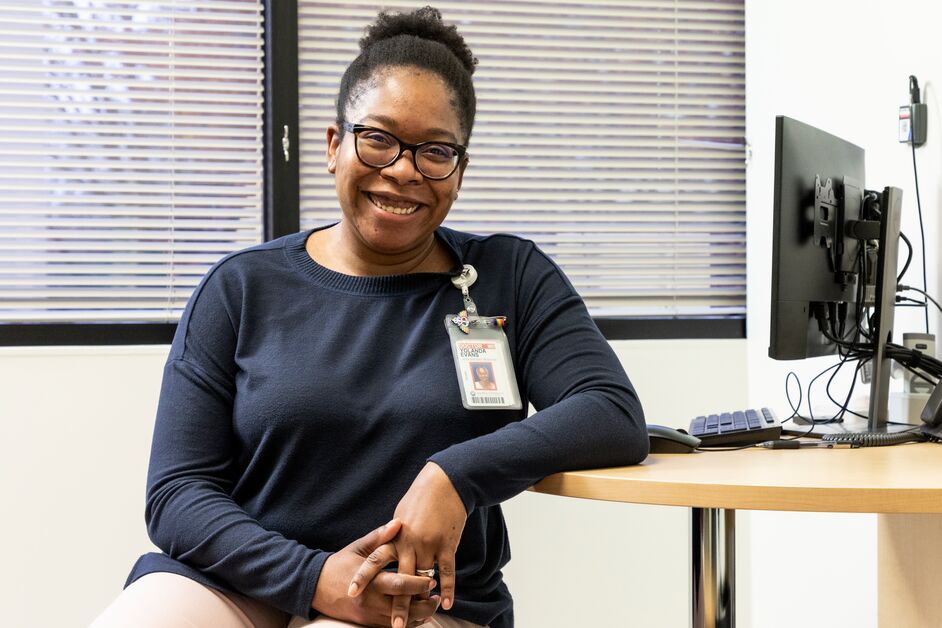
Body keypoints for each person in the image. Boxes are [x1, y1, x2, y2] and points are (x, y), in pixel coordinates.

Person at [90, 6, 647, 628]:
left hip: (413, 601)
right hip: (242, 582)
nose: (403, 169)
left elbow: (611, 412)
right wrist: (312, 579)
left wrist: (454, 473)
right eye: (378, 138)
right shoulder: (241, 287)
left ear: (458, 173)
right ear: (335, 145)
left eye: (435, 151)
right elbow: (177, 495)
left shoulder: (507, 275)